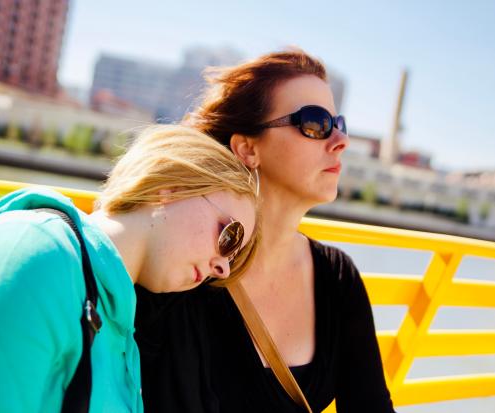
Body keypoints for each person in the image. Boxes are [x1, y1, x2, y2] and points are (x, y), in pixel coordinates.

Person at [135, 51, 395, 412]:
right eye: (316, 123)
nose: (340, 140)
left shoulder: (337, 278)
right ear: (247, 148)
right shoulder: (182, 266)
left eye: (339, 123)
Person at [0, 125, 259, 412]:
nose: (223, 268)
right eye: (229, 237)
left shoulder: (118, 323)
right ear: (170, 187)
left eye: (233, 257)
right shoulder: (37, 253)